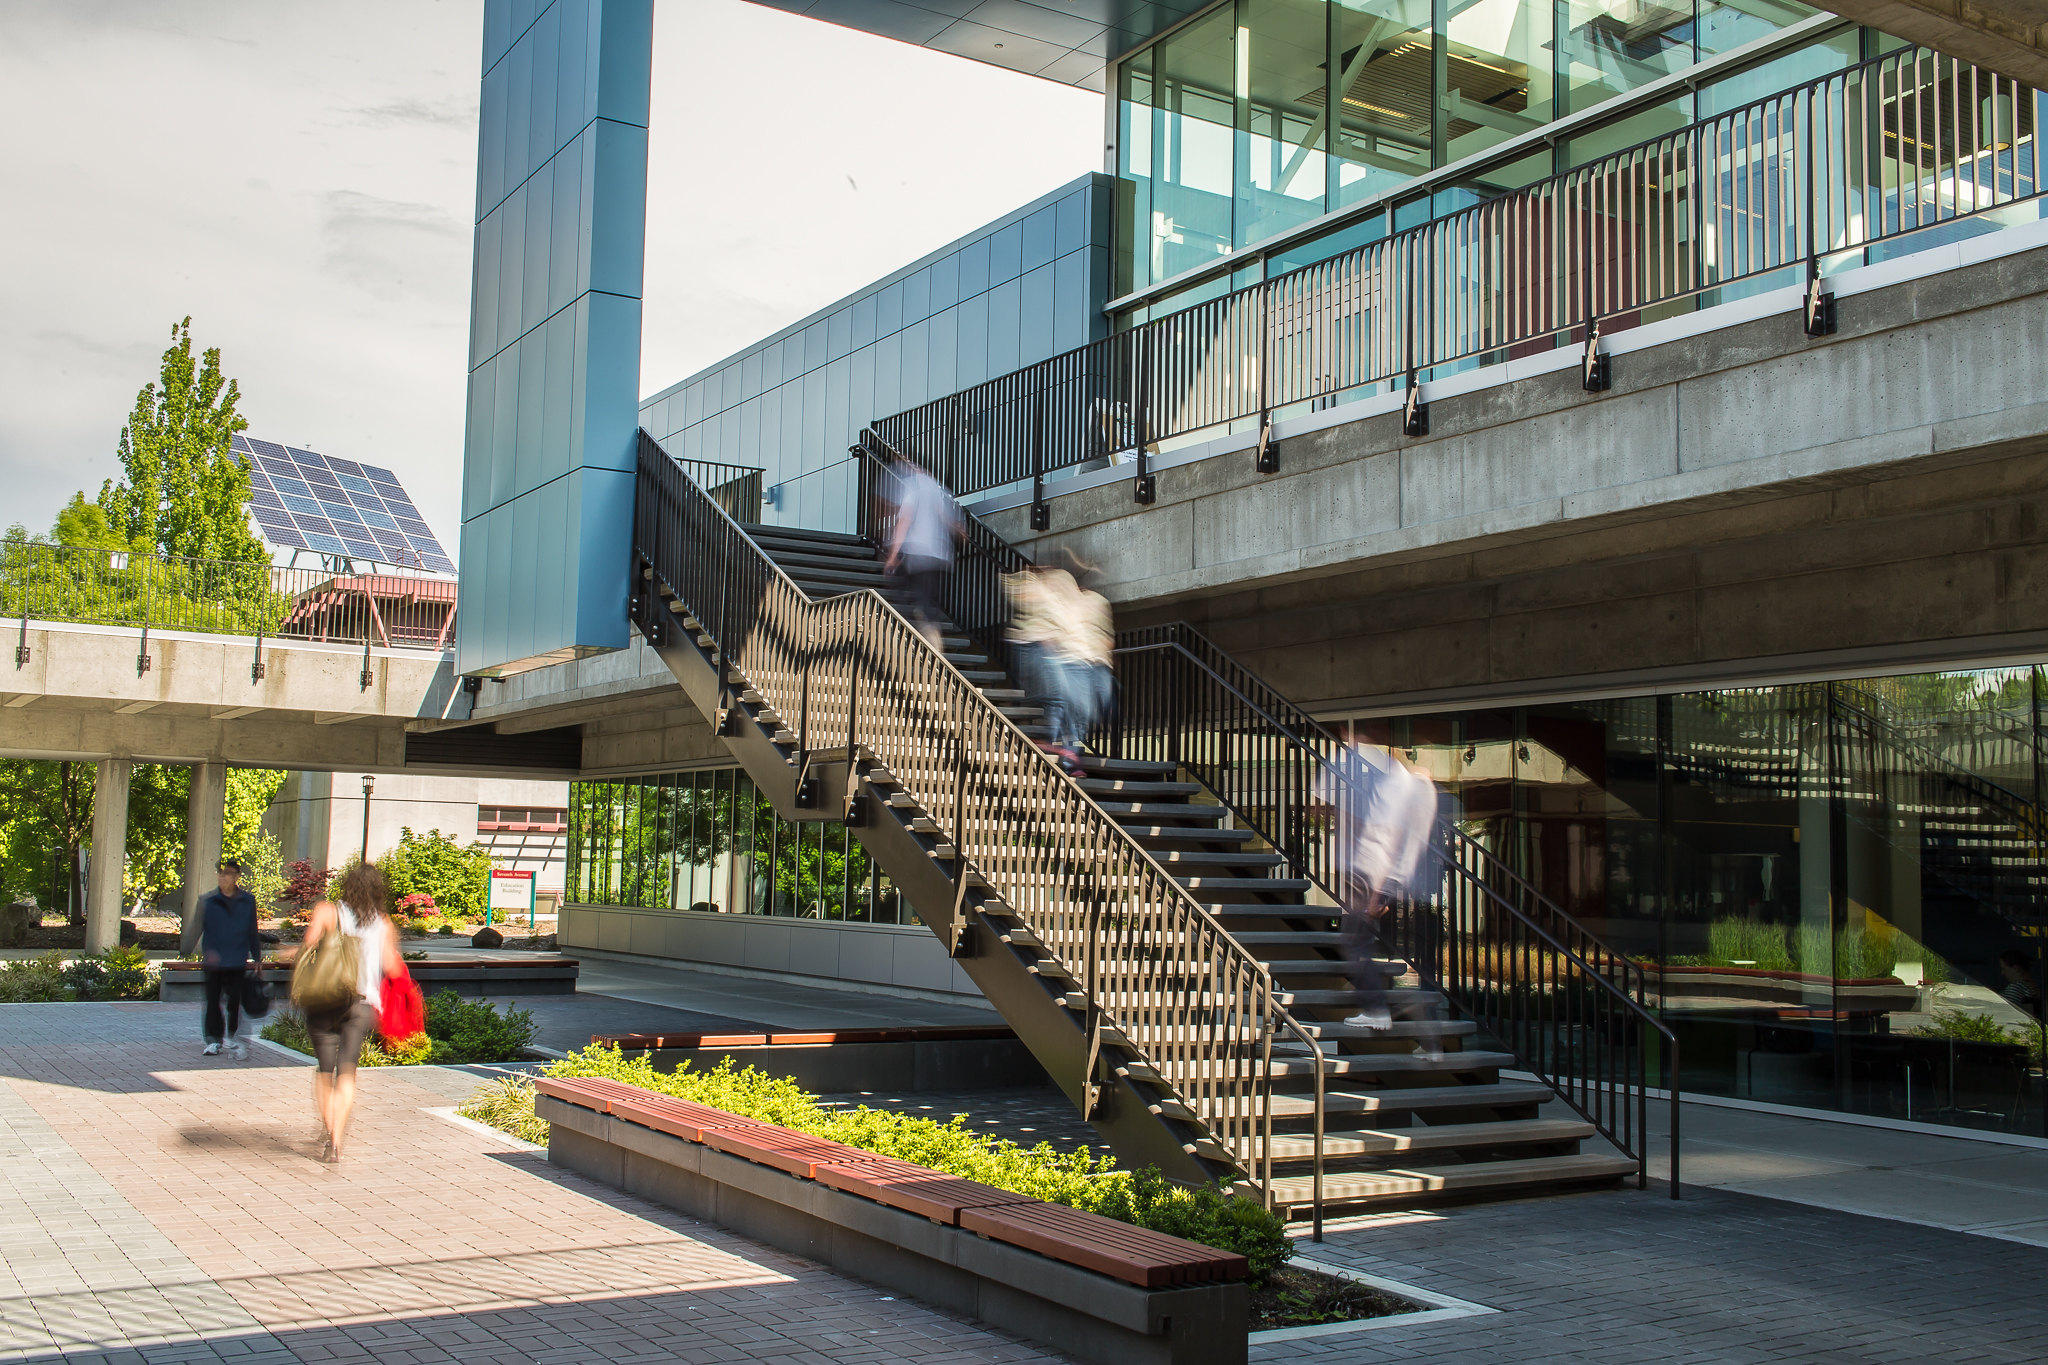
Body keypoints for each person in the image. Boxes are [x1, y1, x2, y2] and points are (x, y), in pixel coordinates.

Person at [1327, 744, 1440, 1032]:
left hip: (1377, 875)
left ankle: (1376, 1009)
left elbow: (1388, 838)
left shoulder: (1403, 792)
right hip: (1389, 877)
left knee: (1353, 942)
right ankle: (1423, 1034)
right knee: (1356, 940)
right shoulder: (1425, 795)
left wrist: (1376, 893)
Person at [300, 862, 404, 1162]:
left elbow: (308, 947)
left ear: (346, 886)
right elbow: (392, 967)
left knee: (324, 1070)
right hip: (361, 1004)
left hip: (325, 1000)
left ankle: (327, 1124)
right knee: (347, 1071)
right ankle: (336, 1142)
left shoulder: (327, 911)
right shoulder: (383, 923)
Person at [882, 452, 962, 648]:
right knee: (926, 599)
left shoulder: (913, 485)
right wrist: (960, 532)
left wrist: (893, 555)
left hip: (918, 552)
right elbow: (944, 516)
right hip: (938, 554)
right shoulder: (934, 486)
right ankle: (926, 632)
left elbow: (905, 519)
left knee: (904, 591)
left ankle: (922, 639)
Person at [197, 859, 263, 1059]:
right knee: (212, 1001)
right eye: (221, 873)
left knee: (234, 1001)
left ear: (236, 877)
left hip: (236, 959)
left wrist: (257, 957)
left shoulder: (247, 901)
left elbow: (253, 930)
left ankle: (232, 1035)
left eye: (227, 873)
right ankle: (213, 1040)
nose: (222, 876)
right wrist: (208, 951)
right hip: (214, 963)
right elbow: (204, 930)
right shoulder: (208, 901)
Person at [1998, 948, 2042, 1020]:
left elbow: (2002, 1012)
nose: (2002, 973)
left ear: (2016, 968)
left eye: (2004, 969)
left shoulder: (2017, 987)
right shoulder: (2032, 987)